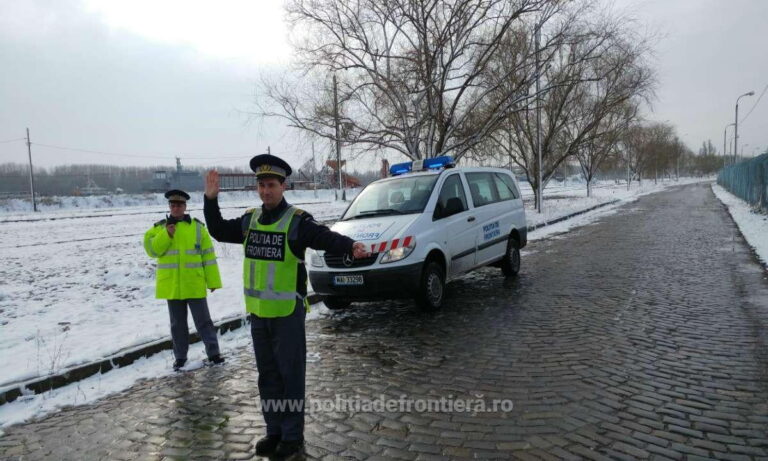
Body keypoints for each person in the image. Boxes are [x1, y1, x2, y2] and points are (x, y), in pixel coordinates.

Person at [203, 155, 368, 459]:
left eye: (271, 185)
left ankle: (292, 437)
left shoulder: (296, 221)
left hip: (287, 316)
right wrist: (210, 200)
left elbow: (323, 237)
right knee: (267, 377)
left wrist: (349, 245)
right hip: (259, 315)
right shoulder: (250, 221)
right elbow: (218, 230)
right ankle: (275, 431)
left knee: (290, 377)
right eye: (261, 185)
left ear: (283, 186)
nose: (265, 191)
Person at [143, 189, 225, 371]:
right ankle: (180, 357)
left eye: (179, 205)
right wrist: (166, 234)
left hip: (194, 283)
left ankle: (214, 353)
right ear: (169, 206)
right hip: (172, 286)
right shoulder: (159, 228)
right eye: (173, 205)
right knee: (177, 325)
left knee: (204, 322)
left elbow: (208, 256)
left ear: (185, 206)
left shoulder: (197, 228)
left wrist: (213, 281)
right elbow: (152, 250)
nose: (176, 208)